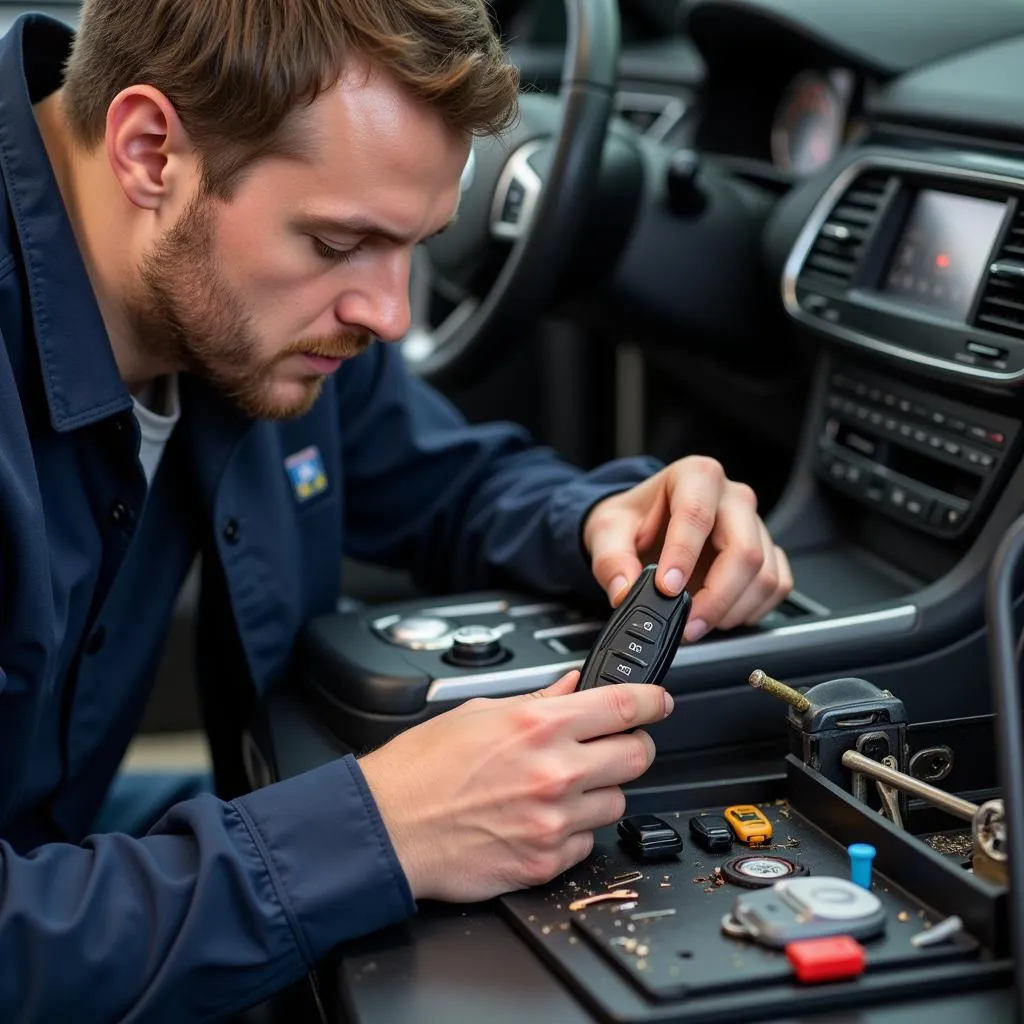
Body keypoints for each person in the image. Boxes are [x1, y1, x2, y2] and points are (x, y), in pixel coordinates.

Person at [0, 1, 792, 1020]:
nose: (390, 312)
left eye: (414, 243)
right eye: (340, 240)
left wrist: (603, 519)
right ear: (151, 151)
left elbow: (443, 481)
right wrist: (381, 828)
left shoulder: (244, 317)